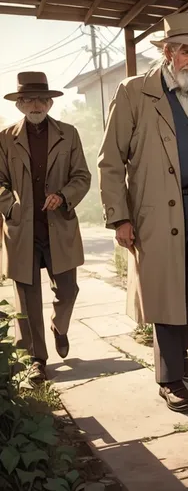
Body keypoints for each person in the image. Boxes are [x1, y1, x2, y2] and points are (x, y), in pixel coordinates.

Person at [98, 13, 188, 412]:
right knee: (167, 292)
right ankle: (169, 378)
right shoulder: (134, 92)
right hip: (157, 214)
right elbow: (110, 161)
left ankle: (181, 360)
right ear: (168, 51)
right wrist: (120, 217)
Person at [0, 72, 91, 383]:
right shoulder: (4, 138)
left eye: (41, 99)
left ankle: (59, 326)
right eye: (28, 99)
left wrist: (64, 196)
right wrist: (11, 206)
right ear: (19, 104)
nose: (35, 104)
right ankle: (37, 360)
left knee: (68, 290)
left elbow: (82, 176)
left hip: (60, 227)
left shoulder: (69, 134)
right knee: (27, 302)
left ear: (50, 102)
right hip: (21, 231)